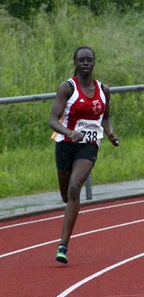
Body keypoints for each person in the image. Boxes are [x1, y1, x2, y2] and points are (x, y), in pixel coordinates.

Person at [49, 46, 119, 264]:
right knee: (65, 194)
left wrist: (109, 133)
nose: (86, 63)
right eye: (82, 60)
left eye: (89, 60)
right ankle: (69, 206)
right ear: (76, 63)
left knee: (75, 186)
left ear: (94, 63)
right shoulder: (67, 88)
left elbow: (105, 117)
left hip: (89, 145)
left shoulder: (103, 90)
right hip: (65, 143)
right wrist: (69, 132)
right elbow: (52, 119)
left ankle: (63, 245)